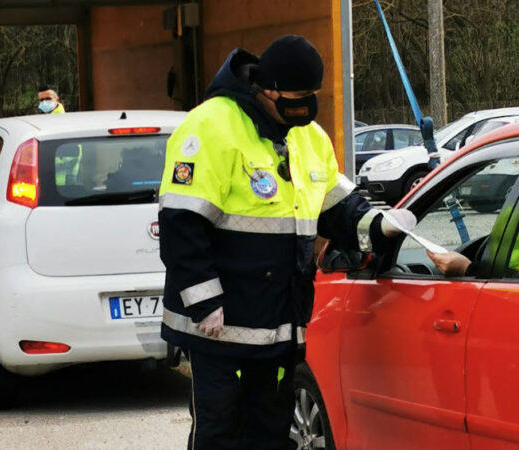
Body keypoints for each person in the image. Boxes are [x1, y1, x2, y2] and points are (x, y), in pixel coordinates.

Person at [157, 35, 416, 449]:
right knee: (220, 430)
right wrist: (204, 303)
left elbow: (336, 205)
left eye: (311, 96)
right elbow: (181, 225)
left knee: (271, 432)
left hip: (278, 322)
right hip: (218, 326)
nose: (305, 106)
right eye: (297, 97)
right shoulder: (209, 126)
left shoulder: (308, 137)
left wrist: (379, 224)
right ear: (268, 88)